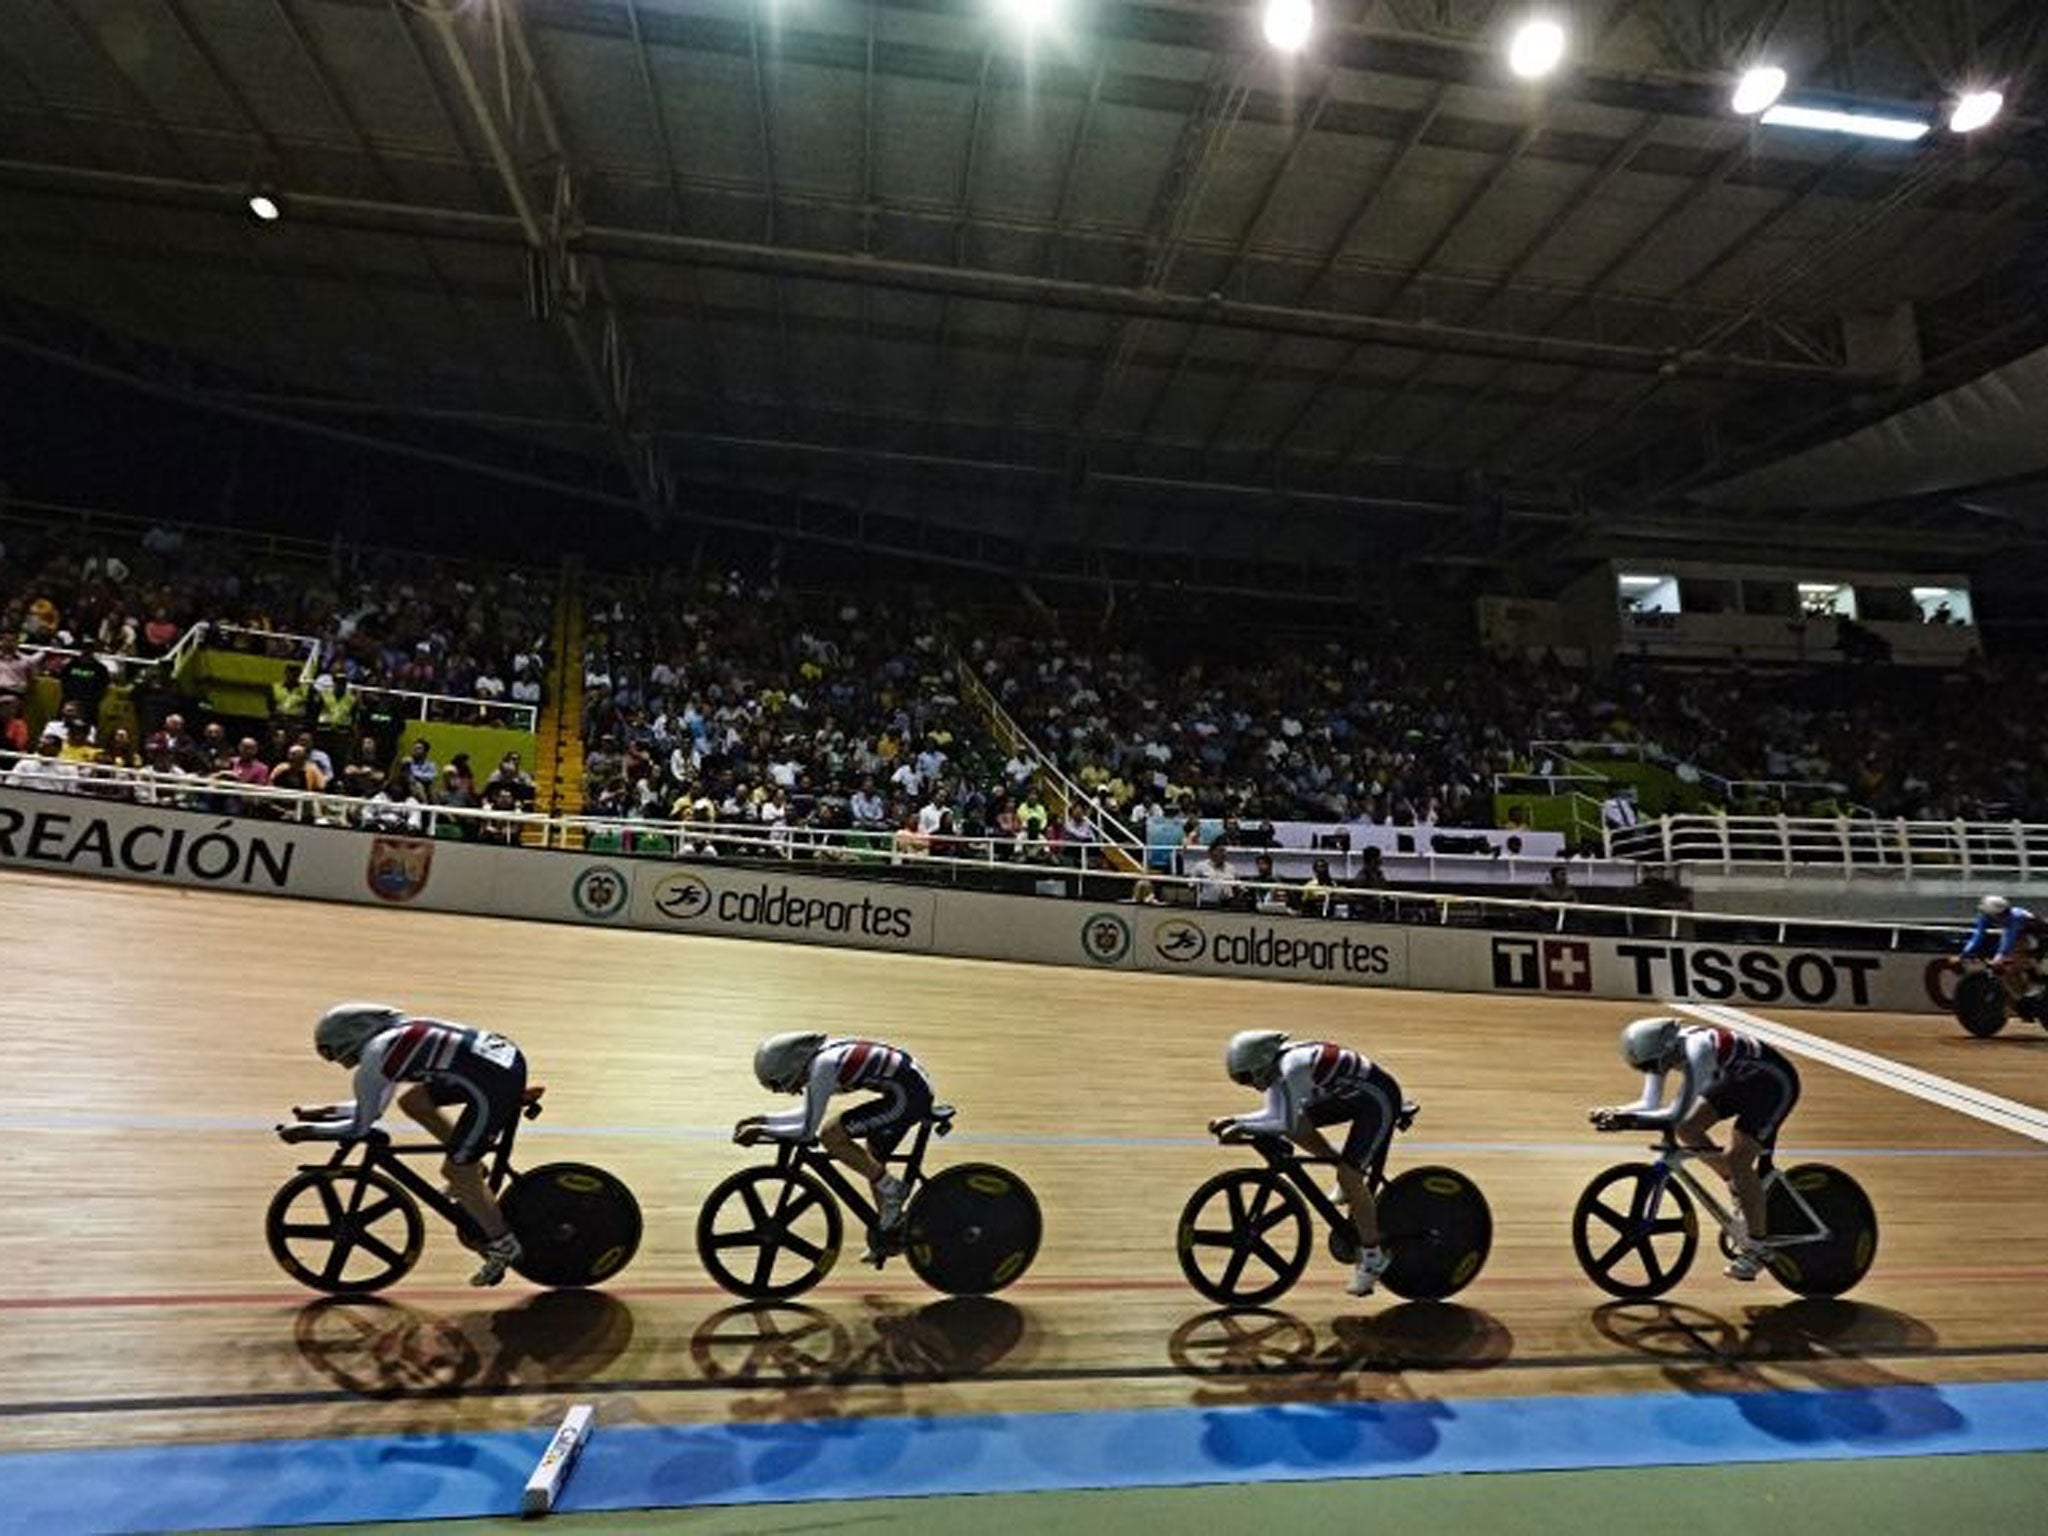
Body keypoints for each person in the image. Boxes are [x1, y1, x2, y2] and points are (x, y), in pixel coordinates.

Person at [278, 1003, 527, 1286]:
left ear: (351, 1039)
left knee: (456, 1172)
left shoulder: (377, 1053)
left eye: (342, 1056)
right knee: (414, 1101)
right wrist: (323, 1111)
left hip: (494, 1082)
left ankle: (504, 1243)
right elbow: (372, 1108)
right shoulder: (393, 1037)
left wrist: (305, 1132)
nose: (348, 1063)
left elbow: (361, 1125)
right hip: (498, 1064)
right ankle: (473, 1167)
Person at [1589, 1017, 1801, 1281]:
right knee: (1687, 1129)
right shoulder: (1662, 1050)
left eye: (1655, 1065)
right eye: (1646, 1067)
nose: (1655, 1070)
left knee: (1739, 1159)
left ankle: (1758, 1249)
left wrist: (1629, 1122)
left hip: (1772, 1085)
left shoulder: (1697, 1049)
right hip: (1739, 1077)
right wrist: (1616, 1111)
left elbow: (1675, 1112)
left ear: (1666, 1049)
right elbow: (1649, 1103)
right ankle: (1738, 1186)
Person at [1208, 1030, 1401, 1298]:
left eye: (1246, 1077)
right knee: (1298, 1126)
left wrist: (1239, 1124)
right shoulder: (1275, 1068)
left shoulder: (1292, 1066)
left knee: (1349, 1175)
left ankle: (1372, 1256)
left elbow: (1280, 1121)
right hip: (1351, 1094)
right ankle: (1347, 1173)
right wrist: (1235, 1120)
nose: (1248, 1084)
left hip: (1377, 1099)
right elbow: (1279, 1117)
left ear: (1261, 1062)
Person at [734, 1032, 932, 1251]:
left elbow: (807, 1131)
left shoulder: (823, 1067)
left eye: (778, 1085)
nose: (787, 1091)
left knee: (831, 1135)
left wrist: (762, 1131)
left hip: (909, 1096)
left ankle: (893, 1189)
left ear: (787, 1067)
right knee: (870, 1159)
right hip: (908, 1090)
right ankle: (891, 1231)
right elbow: (807, 1113)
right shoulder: (821, 1060)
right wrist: (765, 1120)